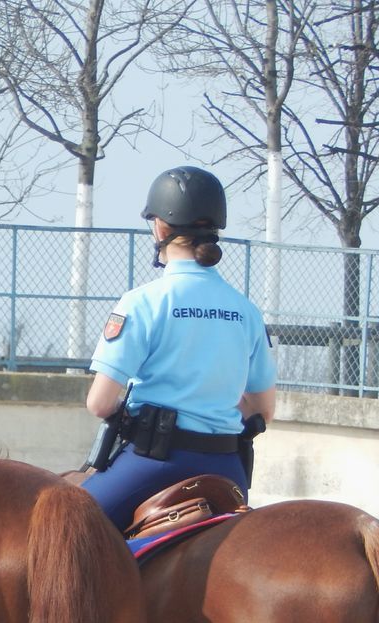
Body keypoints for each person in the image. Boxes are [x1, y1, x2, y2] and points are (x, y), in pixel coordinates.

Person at [80, 165, 277, 534]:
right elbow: (264, 410)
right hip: (226, 468)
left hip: (156, 462)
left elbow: (100, 404)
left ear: (160, 227)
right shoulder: (246, 311)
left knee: (64, 528)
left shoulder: (141, 303)